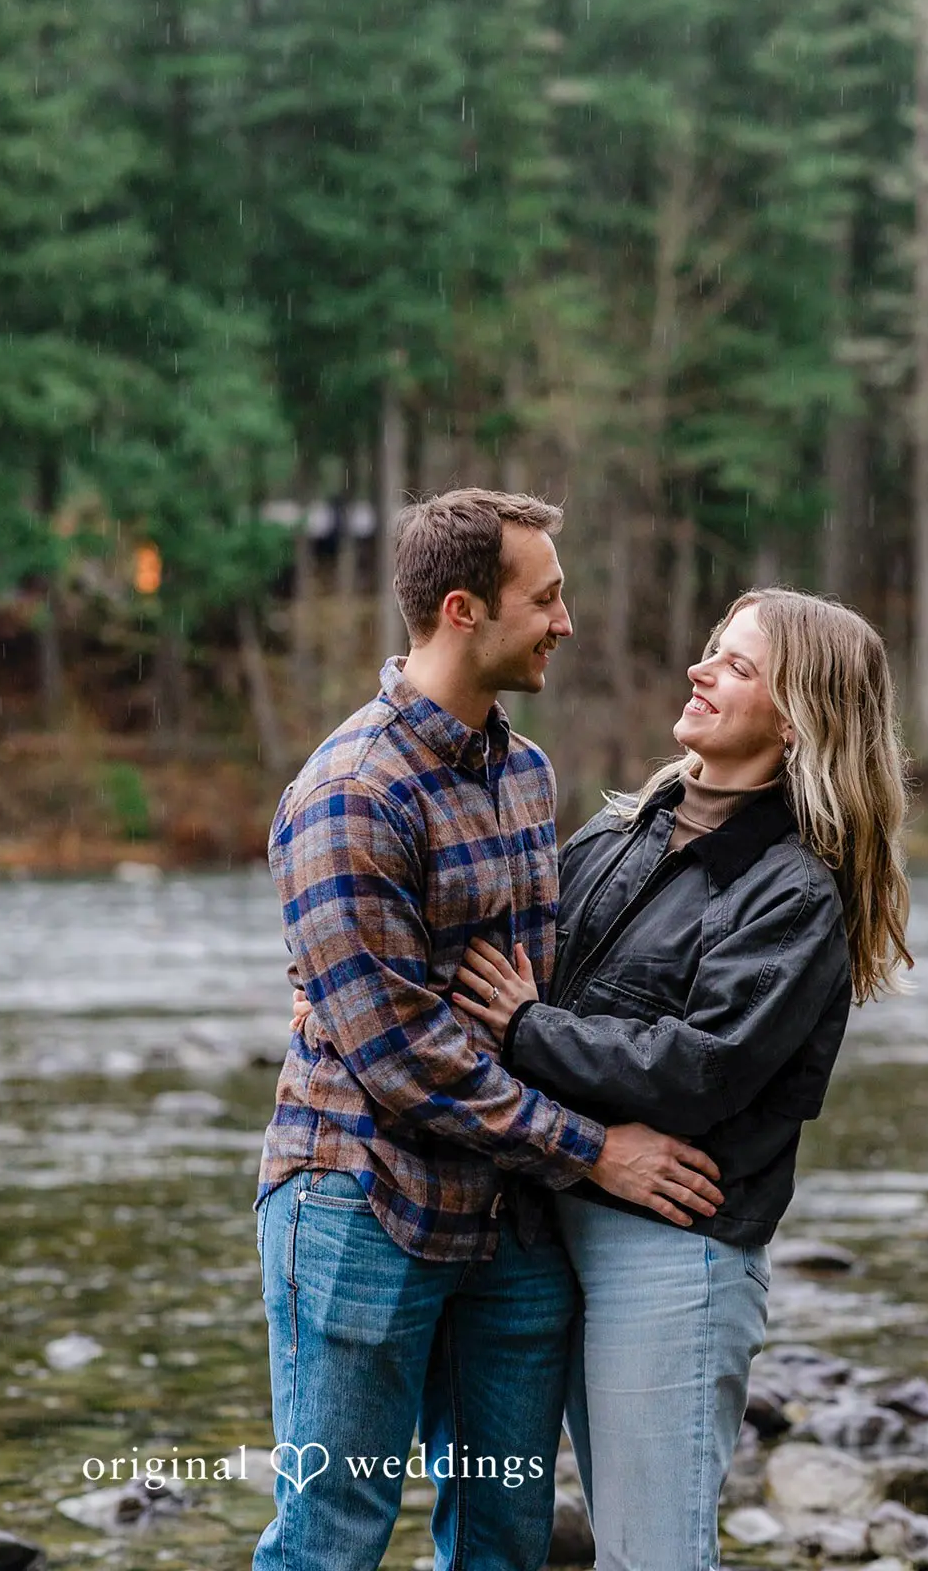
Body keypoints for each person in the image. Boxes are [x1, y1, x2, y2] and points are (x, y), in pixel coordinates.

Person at [253, 487, 724, 1571]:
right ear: (463, 609)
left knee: (506, 1538)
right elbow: (404, 1061)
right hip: (360, 1204)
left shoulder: (525, 773)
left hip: (504, 1229)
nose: (566, 620)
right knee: (333, 1533)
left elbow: (531, 993)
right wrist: (597, 1151)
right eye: (545, 597)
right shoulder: (351, 792)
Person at [449, 588, 913, 1571]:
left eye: (736, 665)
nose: (700, 671)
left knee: (651, 1556)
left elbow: (697, 1069)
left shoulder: (790, 888)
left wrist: (527, 1030)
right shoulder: (621, 831)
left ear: (795, 718)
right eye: (711, 652)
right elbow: (502, 952)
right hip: (553, 1206)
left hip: (672, 1249)